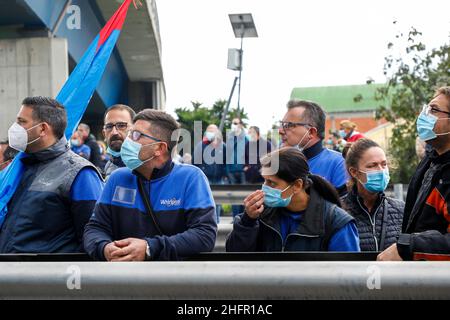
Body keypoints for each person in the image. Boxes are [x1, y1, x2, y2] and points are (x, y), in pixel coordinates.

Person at [83, 109, 217, 261]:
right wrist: (104, 248)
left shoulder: (191, 178)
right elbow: (94, 228)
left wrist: (149, 248)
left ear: (159, 148)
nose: (128, 141)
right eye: (130, 134)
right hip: (123, 279)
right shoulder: (117, 178)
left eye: (136, 135)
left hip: (175, 279)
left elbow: (205, 235)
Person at [0, 96, 104, 253]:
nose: (15, 127)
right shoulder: (20, 166)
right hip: (11, 272)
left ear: (42, 129)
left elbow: (91, 238)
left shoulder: (80, 174)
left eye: (21, 122)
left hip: (48, 274)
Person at [226, 147, 360, 252]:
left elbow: (347, 277)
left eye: (271, 183)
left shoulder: (336, 221)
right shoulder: (261, 214)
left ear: (297, 185)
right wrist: (247, 221)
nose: (264, 189)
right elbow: (235, 255)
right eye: (264, 181)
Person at [378, 86, 450, 261]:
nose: (424, 115)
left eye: (433, 110)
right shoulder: (432, 161)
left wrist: (408, 247)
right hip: (423, 278)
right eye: (427, 108)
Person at [343, 139, 404, 251]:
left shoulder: (401, 209)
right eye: (372, 166)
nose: (381, 171)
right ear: (354, 172)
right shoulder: (339, 211)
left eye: (384, 164)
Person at [279, 100, 348, 196]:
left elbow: (343, 207)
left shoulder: (338, 163)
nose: (280, 131)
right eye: (281, 124)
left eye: (288, 125)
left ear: (311, 132)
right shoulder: (280, 162)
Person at [194, 124, 227, 223]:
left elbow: (226, 161)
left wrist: (225, 174)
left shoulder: (223, 146)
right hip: (205, 178)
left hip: (219, 178)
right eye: (209, 130)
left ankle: (216, 222)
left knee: (218, 202)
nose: (211, 132)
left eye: (213, 130)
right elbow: (196, 162)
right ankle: (206, 223)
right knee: (205, 202)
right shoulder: (201, 145)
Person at [102, 104, 135, 179]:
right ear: (104, 134)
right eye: (109, 127)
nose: (114, 132)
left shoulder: (148, 166)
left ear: (135, 130)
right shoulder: (108, 166)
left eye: (121, 125)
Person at [226, 117, 248, 217]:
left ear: (240, 125)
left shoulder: (246, 139)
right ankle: (235, 217)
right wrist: (227, 171)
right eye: (232, 123)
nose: (233, 125)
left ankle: (243, 217)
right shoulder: (230, 139)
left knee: (244, 196)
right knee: (234, 196)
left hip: (243, 171)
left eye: (235, 123)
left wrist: (247, 166)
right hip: (231, 171)